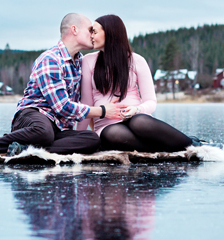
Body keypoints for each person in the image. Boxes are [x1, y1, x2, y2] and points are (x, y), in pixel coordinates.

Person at [0, 13, 125, 157]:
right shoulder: (51, 59)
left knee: (92, 139)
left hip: (58, 128)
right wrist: (103, 111)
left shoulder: (80, 62)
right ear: (74, 30)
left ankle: (26, 149)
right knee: (43, 132)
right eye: (89, 30)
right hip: (33, 116)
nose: (92, 35)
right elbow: (62, 106)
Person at [77, 14, 195, 152]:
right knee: (114, 134)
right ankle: (172, 147)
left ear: (110, 34)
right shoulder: (88, 61)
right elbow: (86, 104)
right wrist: (79, 135)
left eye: (94, 32)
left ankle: (194, 145)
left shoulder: (137, 60)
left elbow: (151, 102)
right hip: (106, 125)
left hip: (135, 116)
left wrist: (136, 109)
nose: (91, 36)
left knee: (140, 122)